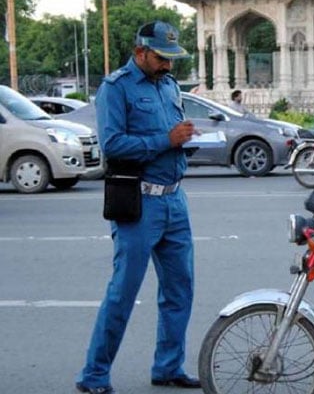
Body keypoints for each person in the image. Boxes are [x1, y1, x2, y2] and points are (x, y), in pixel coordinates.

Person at [75, 21, 201, 394]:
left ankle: (167, 367)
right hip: (139, 204)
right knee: (123, 293)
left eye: (172, 59)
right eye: (161, 58)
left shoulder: (169, 85)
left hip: (175, 200)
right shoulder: (116, 88)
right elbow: (112, 145)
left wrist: (182, 140)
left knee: (180, 290)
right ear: (140, 52)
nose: (167, 65)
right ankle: (94, 376)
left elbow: (171, 133)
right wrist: (166, 139)